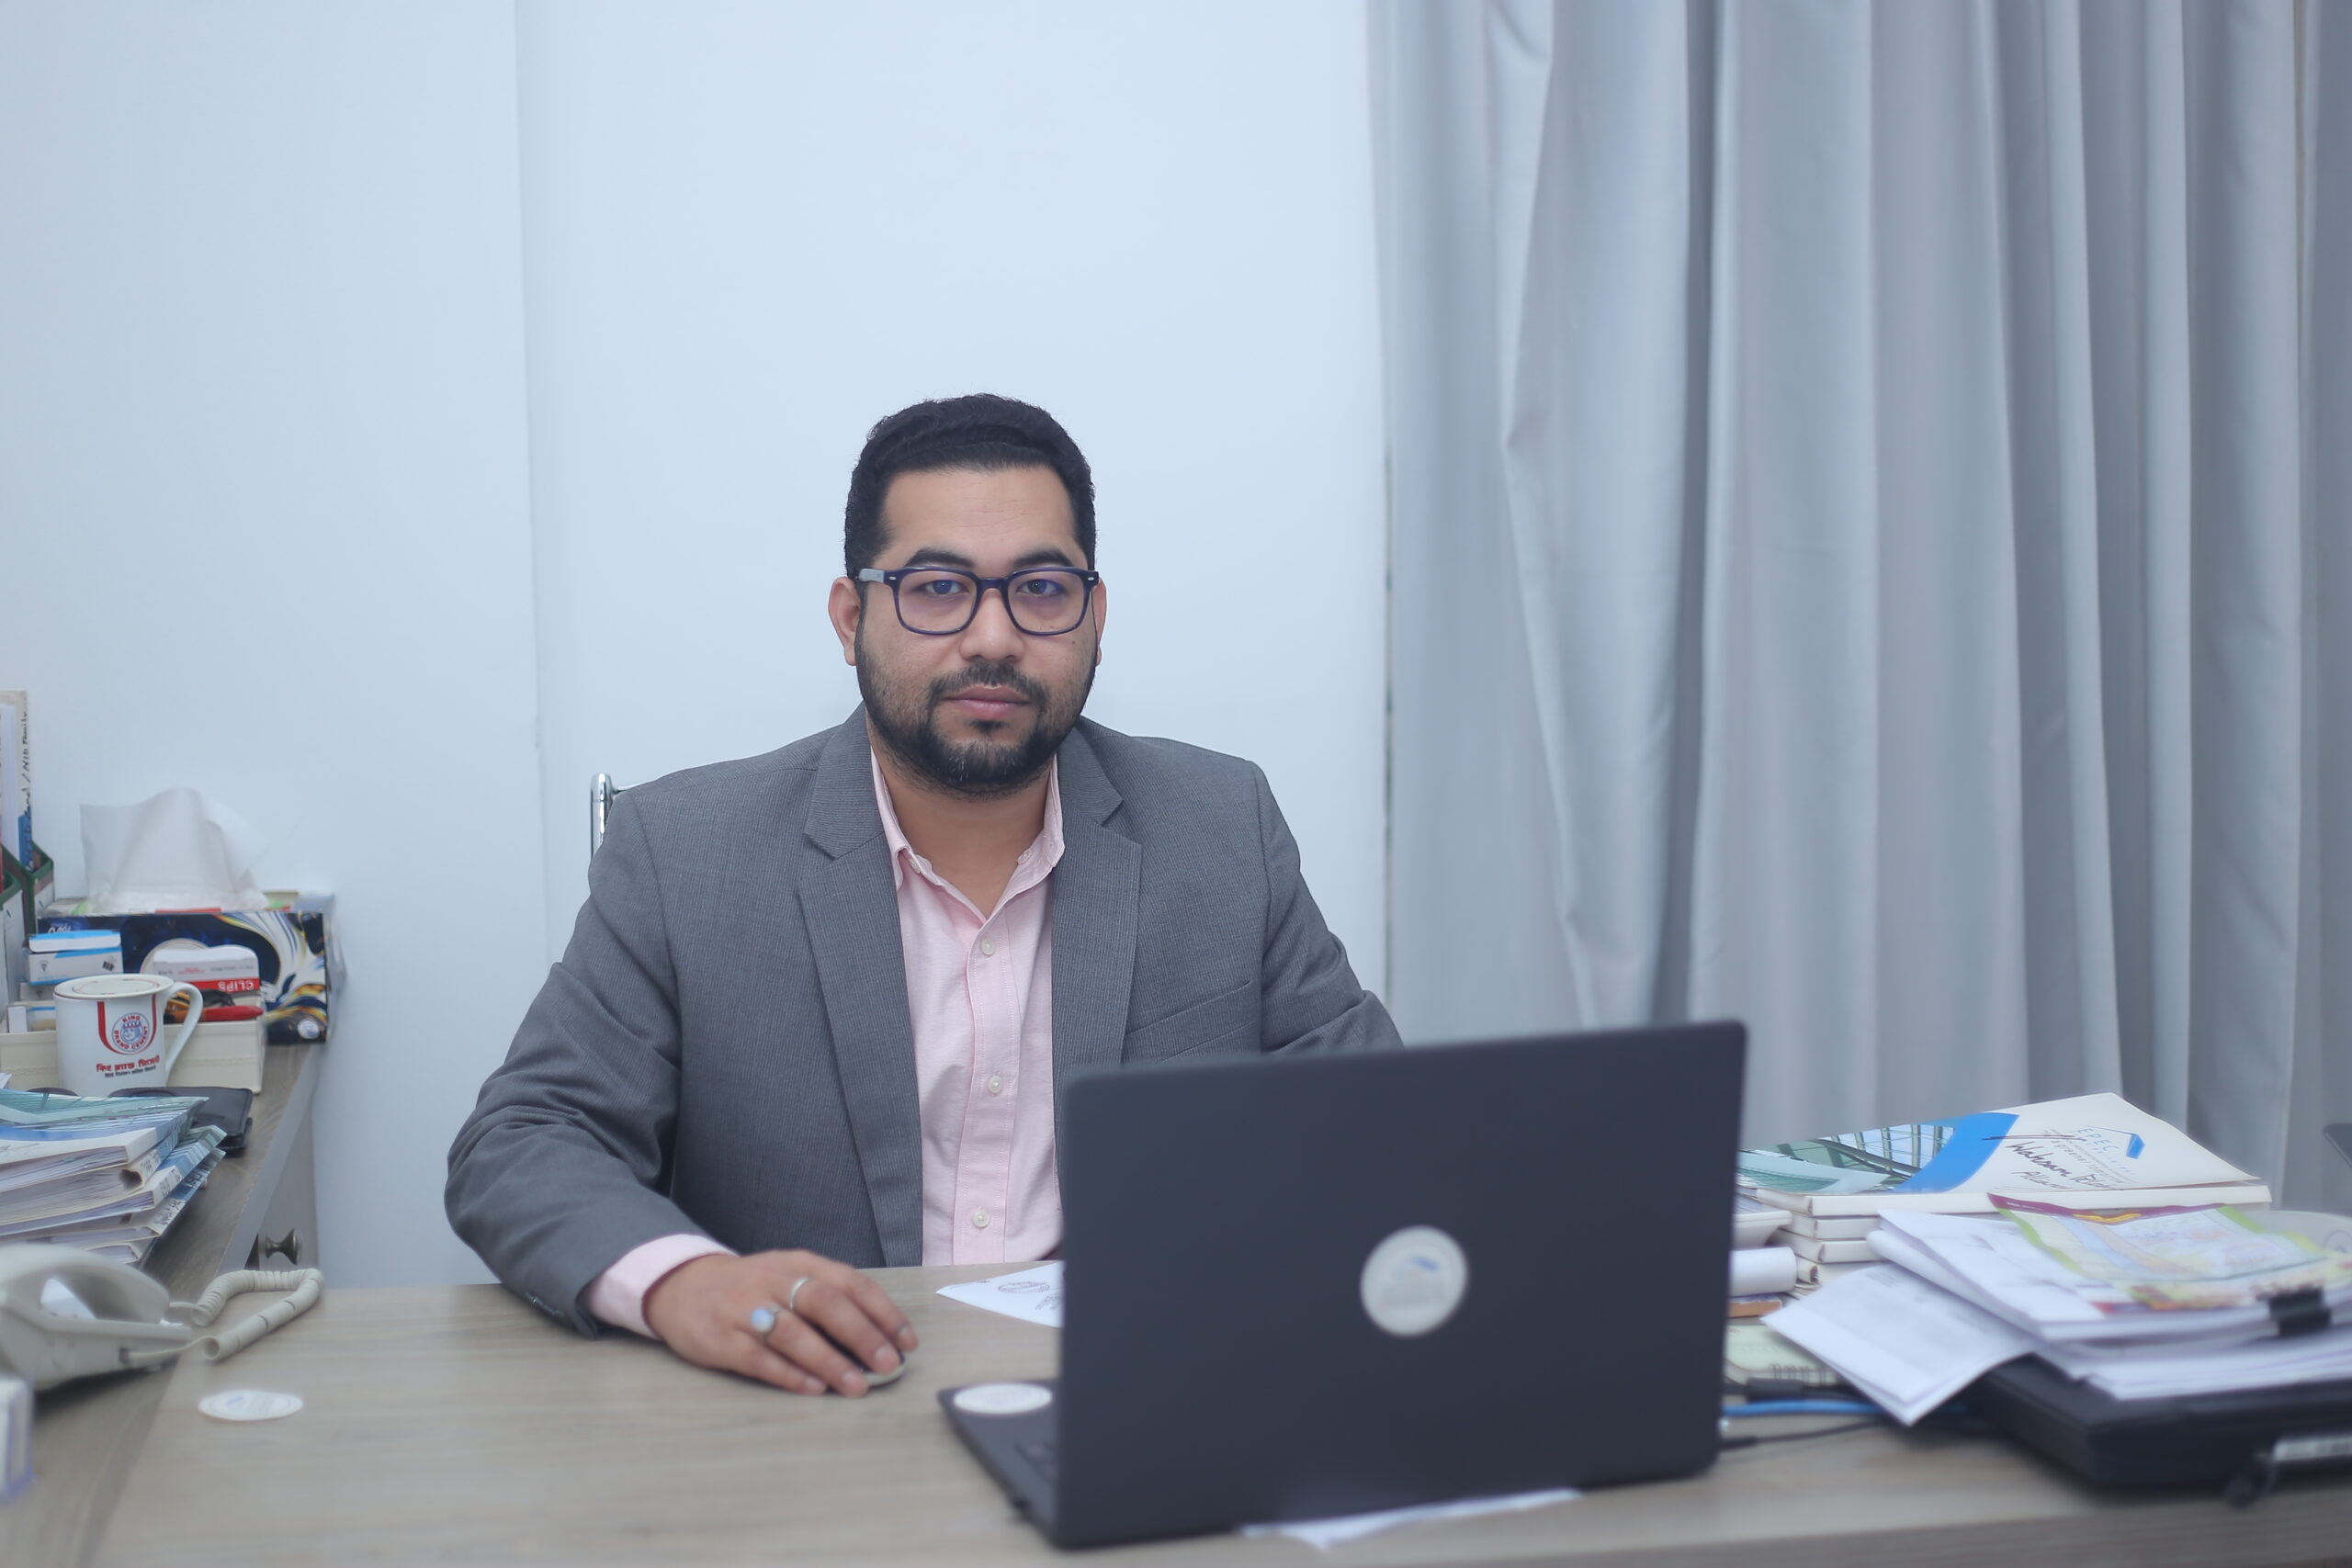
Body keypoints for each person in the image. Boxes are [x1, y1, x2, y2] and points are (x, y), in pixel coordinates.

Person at [446, 394, 1398, 1397]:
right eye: (937, 588)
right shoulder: (686, 854)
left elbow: (1379, 1125)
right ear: (851, 617)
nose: (993, 637)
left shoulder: (1219, 828)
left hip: (1140, 1392)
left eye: (1040, 589)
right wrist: (689, 1283)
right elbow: (525, 1140)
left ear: (1095, 618)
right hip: (811, 1409)